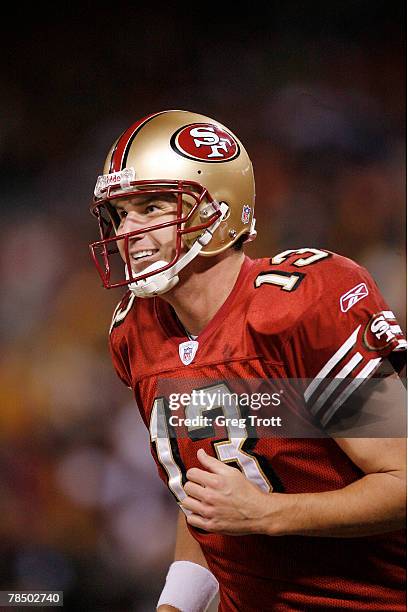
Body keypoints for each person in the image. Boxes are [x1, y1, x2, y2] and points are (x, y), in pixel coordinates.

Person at [89, 110, 406, 611]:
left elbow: (403, 480)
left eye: (151, 207)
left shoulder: (301, 307)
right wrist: (177, 605)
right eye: (121, 213)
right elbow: (212, 492)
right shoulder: (139, 333)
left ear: (216, 212)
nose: (128, 230)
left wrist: (268, 514)